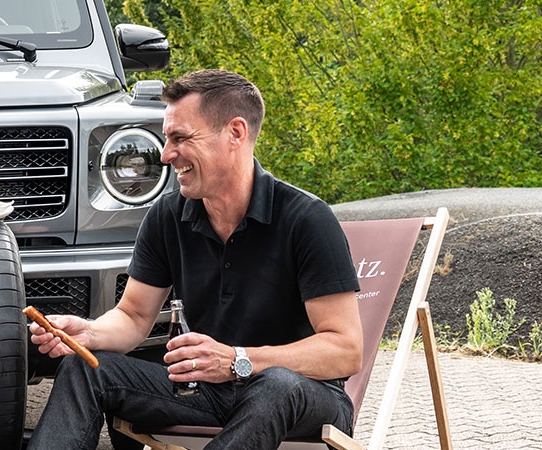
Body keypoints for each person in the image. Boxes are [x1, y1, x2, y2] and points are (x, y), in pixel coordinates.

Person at [27, 69, 363, 450]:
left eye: (181, 138)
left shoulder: (306, 219)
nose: (167, 154)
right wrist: (90, 332)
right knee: (86, 368)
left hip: (305, 396)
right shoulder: (167, 216)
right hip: (206, 391)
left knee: (276, 384)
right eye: (167, 139)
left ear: (235, 133)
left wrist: (238, 360)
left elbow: (345, 350)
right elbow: (135, 316)